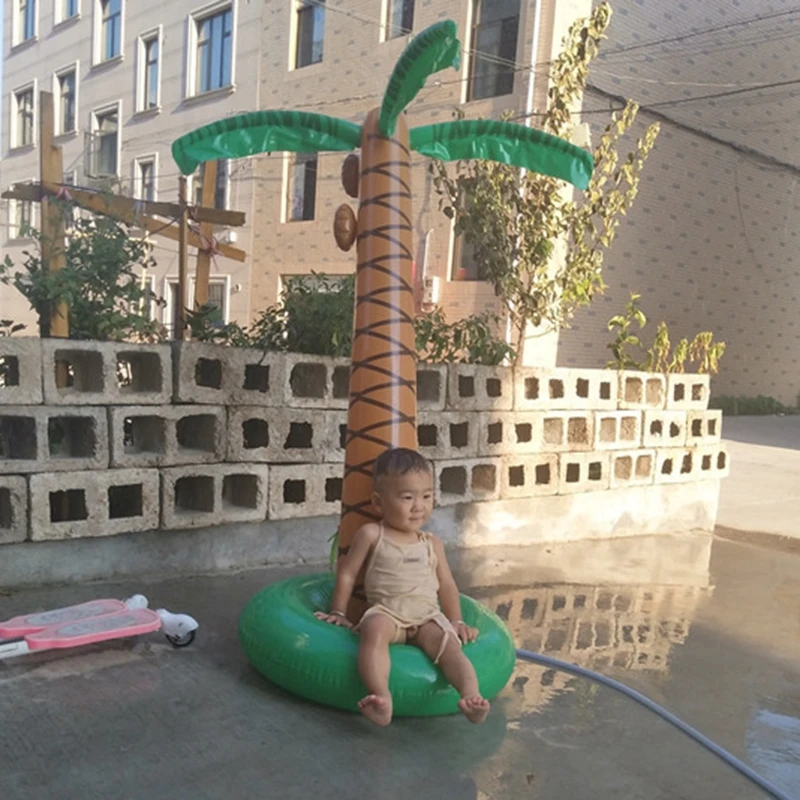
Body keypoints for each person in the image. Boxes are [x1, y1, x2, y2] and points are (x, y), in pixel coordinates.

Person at [315, 447, 490, 727]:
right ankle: (381, 697)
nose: (418, 506)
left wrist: (456, 620)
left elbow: (446, 584)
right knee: (373, 631)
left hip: (426, 617)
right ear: (378, 502)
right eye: (407, 497)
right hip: (388, 613)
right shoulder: (372, 534)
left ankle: (471, 697)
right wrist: (338, 612)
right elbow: (347, 573)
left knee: (450, 648)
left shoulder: (432, 543)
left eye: (427, 496)